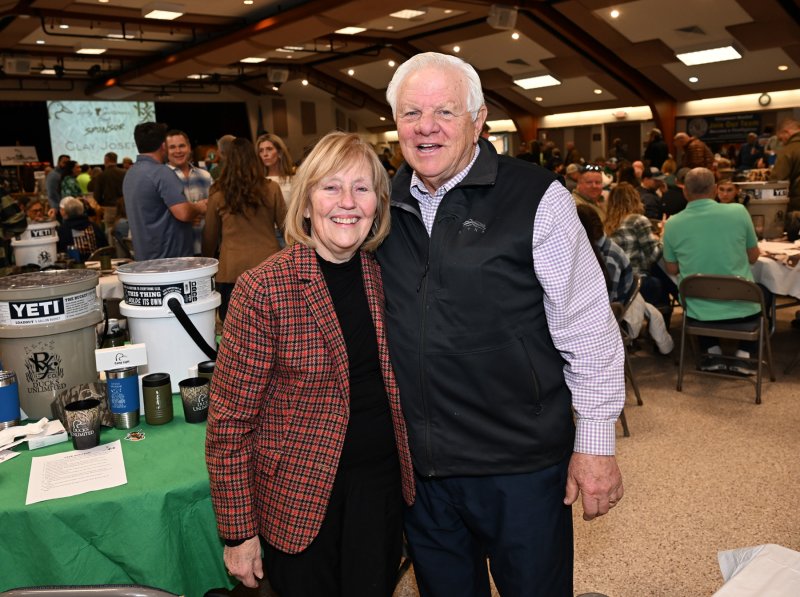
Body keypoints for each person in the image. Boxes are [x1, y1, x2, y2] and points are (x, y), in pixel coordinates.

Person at [379, 52, 624, 597]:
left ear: (479, 119)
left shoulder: (537, 197)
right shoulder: (379, 203)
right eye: (411, 113)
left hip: (520, 465)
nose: (426, 127)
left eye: (444, 111)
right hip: (421, 471)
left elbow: (587, 326)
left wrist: (596, 444)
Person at [205, 131, 415, 596]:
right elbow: (229, 421)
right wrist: (238, 532)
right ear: (304, 204)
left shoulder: (386, 277)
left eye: (362, 188)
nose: (347, 202)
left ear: (378, 206)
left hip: (379, 492)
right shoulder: (264, 288)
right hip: (297, 499)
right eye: (330, 187)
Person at [663, 167, 761, 375]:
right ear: (715, 189)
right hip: (742, 308)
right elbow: (753, 256)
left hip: (699, 311)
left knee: (698, 296)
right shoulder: (738, 212)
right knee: (764, 295)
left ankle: (711, 352)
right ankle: (744, 355)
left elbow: (671, 268)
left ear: (685, 192)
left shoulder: (672, 223)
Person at [202, 138, 286, 322]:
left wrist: (206, 265)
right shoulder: (271, 188)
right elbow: (286, 228)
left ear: (227, 161)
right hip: (269, 267)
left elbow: (210, 236)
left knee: (233, 328)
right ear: (255, 159)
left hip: (231, 269)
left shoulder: (217, 192)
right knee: (274, 327)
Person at [122, 122, 207, 260]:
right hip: (171, 262)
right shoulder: (161, 172)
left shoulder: (131, 173)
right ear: (163, 146)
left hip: (145, 259)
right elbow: (183, 213)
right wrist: (199, 207)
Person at [604, 182, 668, 308]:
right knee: (664, 283)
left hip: (614, 284)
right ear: (635, 199)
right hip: (636, 283)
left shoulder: (606, 224)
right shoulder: (637, 220)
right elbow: (653, 256)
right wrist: (663, 236)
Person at [166, 129, 212, 255]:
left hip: (206, 249)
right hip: (176, 253)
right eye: (172, 147)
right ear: (166, 150)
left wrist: (202, 211)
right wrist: (186, 216)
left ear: (189, 148)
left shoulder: (205, 176)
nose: (178, 151)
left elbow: (216, 206)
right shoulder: (161, 178)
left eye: (182, 146)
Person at [56, 196, 108, 261]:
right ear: (82, 210)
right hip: (97, 265)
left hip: (72, 268)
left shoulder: (62, 230)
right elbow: (105, 248)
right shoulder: (94, 227)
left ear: (66, 212)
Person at [93, 151, 127, 243]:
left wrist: (102, 204)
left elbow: (97, 196)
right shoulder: (124, 173)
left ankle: (113, 253)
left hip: (108, 208)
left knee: (110, 233)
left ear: (106, 160)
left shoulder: (101, 175)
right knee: (125, 232)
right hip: (125, 208)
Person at [769, 118, 800, 212]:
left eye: (781, 139)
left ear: (786, 132)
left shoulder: (789, 150)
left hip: (796, 206)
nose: (782, 143)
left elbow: (776, 180)